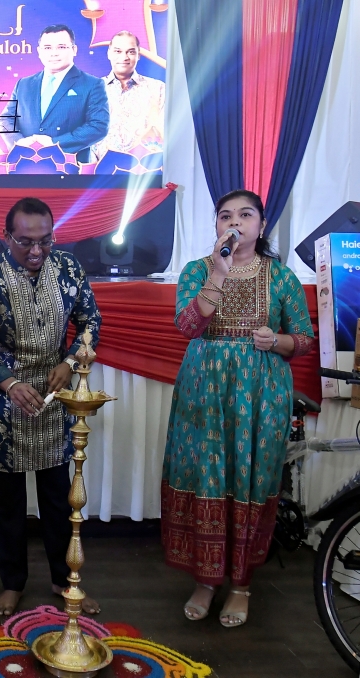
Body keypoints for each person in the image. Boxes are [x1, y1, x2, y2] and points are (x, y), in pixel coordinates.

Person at [163, 189, 315, 628]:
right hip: (203, 392)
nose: (235, 222)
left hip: (261, 394)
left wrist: (277, 340)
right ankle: (206, 580)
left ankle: (241, 586)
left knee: (251, 479)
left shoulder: (281, 277)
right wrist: (219, 270)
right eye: (225, 216)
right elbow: (188, 325)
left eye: (246, 215)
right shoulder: (197, 270)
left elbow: (303, 339)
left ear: (262, 226)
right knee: (205, 475)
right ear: (216, 226)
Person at [0, 197, 102, 617]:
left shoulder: (68, 267)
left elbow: (91, 322)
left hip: (54, 400)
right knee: (8, 504)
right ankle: (13, 583)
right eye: (26, 242)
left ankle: (63, 579)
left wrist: (70, 361)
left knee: (58, 500)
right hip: (2, 404)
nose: (37, 250)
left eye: (45, 240)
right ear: (7, 237)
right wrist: (9, 382)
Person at [0, 24, 109, 163]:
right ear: (39, 51)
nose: (54, 53)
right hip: (25, 164)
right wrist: (18, 143)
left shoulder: (92, 84)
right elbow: (6, 119)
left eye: (61, 47)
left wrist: (55, 143)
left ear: (74, 50)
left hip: (70, 167)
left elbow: (98, 126)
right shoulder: (23, 84)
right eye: (47, 48)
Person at [92, 31, 165, 160]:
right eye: (118, 51)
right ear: (109, 53)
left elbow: (167, 132)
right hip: (100, 167)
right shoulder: (92, 89)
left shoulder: (157, 88)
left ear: (138, 55)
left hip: (145, 167)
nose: (124, 57)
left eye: (130, 52)